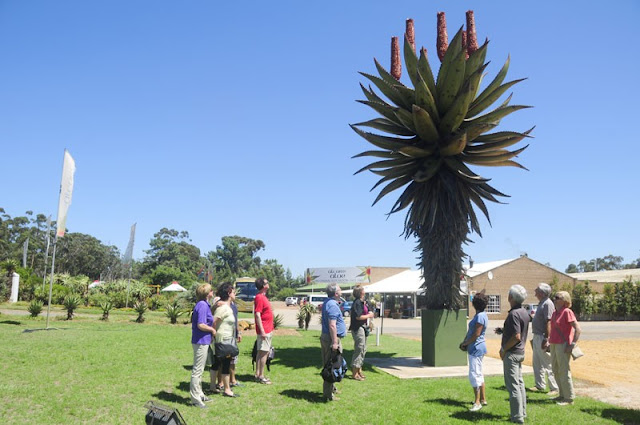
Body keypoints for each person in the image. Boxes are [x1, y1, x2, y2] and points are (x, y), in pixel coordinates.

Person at [498, 285, 530, 424]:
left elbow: (516, 336)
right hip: (520, 352)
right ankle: (522, 412)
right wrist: (503, 331)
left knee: (513, 386)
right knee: (520, 383)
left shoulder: (513, 314)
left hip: (512, 353)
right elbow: (518, 331)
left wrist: (504, 348)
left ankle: (517, 417)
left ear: (511, 297)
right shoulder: (524, 312)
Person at [549, 291, 582, 406]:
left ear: (565, 301)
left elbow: (577, 329)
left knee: (564, 370)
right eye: (554, 297)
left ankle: (569, 398)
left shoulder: (567, 312)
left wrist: (572, 344)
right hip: (553, 344)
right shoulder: (555, 313)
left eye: (557, 297)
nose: (554, 299)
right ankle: (562, 394)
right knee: (555, 370)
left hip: (562, 345)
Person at [459, 292, 489, 412]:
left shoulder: (480, 316)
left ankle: (477, 402)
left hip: (476, 348)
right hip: (476, 347)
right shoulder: (481, 315)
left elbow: (476, 334)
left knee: (474, 374)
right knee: (479, 373)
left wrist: (465, 343)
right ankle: (483, 399)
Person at [529, 283, 559, 395]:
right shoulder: (542, 302)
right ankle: (539, 384)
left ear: (542, 292)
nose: (535, 291)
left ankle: (554, 387)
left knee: (548, 363)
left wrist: (546, 338)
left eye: (536, 290)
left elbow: (549, 321)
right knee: (537, 362)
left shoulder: (548, 303)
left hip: (542, 336)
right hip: (536, 335)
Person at [190, 283, 216, 408]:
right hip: (200, 341)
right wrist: (212, 330)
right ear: (207, 293)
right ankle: (195, 399)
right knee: (197, 370)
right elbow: (201, 324)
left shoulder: (205, 304)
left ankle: (199, 394)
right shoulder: (202, 305)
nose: (213, 292)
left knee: (200, 370)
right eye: (211, 290)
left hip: (203, 341)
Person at [212, 282, 240, 398]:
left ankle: (215, 387)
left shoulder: (227, 307)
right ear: (229, 293)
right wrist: (214, 334)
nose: (235, 294)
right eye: (233, 292)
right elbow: (214, 322)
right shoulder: (223, 308)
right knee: (223, 363)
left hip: (227, 339)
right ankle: (226, 389)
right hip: (223, 340)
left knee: (220, 363)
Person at [320, 283, 346, 401]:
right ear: (336, 293)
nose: (341, 291)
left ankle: (332, 389)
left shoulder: (328, 303)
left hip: (328, 337)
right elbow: (332, 325)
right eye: (340, 290)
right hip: (331, 338)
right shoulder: (332, 305)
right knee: (330, 365)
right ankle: (328, 395)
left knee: (333, 363)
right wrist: (335, 342)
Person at [349, 284, 374, 381]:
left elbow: (369, 311)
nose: (365, 291)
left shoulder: (364, 302)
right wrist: (369, 316)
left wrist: (370, 317)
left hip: (364, 327)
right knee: (359, 348)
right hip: (357, 327)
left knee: (364, 348)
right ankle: (354, 373)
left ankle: (359, 370)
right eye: (363, 289)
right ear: (360, 292)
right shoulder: (357, 303)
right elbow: (358, 317)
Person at [253, 277, 274, 384]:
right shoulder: (260, 298)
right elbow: (257, 314)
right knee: (264, 353)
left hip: (267, 329)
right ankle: (261, 376)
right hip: (264, 330)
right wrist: (262, 331)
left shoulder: (263, 297)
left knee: (261, 352)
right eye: (267, 282)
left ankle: (258, 374)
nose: (268, 283)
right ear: (263, 285)